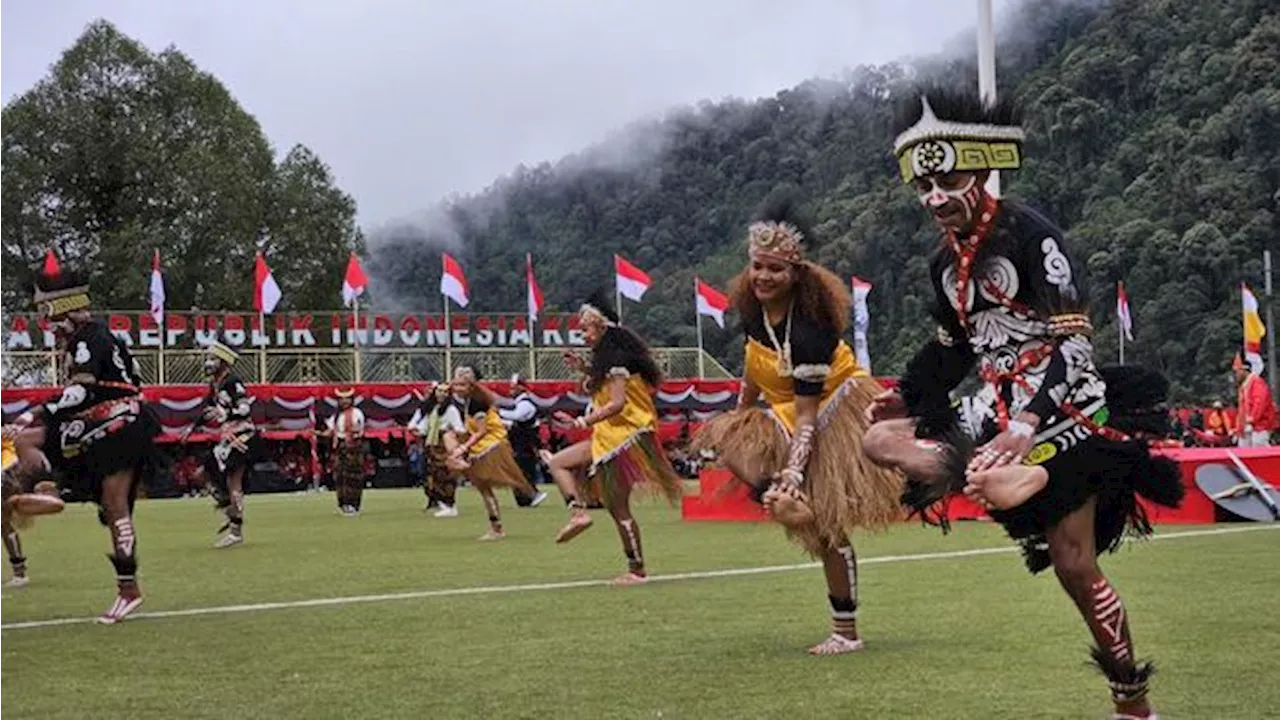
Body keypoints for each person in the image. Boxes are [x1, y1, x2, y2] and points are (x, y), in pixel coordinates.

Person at [863, 85, 1183, 719]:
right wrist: (903, 397)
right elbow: (954, 352)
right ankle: (992, 473)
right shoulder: (942, 265)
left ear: (981, 170)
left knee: (1072, 565)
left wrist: (1029, 422)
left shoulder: (1035, 237)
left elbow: (1076, 345)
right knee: (876, 441)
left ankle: (1133, 704)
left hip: (1065, 405)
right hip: (996, 408)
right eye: (923, 189)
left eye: (946, 182)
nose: (933, 199)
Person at [691, 197, 905, 654]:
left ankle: (845, 633)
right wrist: (737, 419)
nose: (764, 277)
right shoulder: (752, 312)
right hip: (789, 409)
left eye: (775, 269)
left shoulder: (809, 330)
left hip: (834, 408)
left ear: (795, 273)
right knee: (729, 444)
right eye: (757, 266)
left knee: (826, 527)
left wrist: (793, 476)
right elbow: (753, 369)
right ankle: (783, 498)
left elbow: (807, 416)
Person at [3, 263, 160, 624]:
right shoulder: (87, 338)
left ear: (64, 312)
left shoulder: (91, 338)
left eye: (51, 319)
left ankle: (128, 590)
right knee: (27, 443)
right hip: (94, 420)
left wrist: (34, 412)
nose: (50, 328)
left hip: (120, 423)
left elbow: (80, 391)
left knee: (116, 505)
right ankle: (47, 487)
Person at [535, 292, 682, 584]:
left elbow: (617, 404)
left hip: (625, 437)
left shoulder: (616, 359)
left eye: (585, 329)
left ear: (601, 326)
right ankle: (581, 515)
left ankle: (635, 569)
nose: (582, 334)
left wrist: (581, 420)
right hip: (611, 435)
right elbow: (600, 393)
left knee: (614, 504)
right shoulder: (606, 359)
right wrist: (583, 369)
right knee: (563, 466)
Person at [186, 341, 259, 548]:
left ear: (224, 363)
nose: (209, 363)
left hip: (242, 436)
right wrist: (191, 428)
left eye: (213, 359)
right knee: (202, 474)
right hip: (226, 438)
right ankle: (229, 510)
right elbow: (208, 409)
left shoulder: (233, 382)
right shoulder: (215, 385)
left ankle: (236, 531)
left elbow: (244, 409)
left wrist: (224, 413)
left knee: (234, 482)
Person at [450, 367, 537, 540]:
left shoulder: (476, 402)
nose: (456, 388)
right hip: (483, 446)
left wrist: (463, 448)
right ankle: (496, 526)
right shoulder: (470, 401)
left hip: (489, 446)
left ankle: (497, 528)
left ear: (471, 386)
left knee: (484, 487)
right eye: (456, 384)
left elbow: (481, 431)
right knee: (484, 489)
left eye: (461, 385)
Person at [409, 383, 468, 517]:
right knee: (433, 476)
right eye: (439, 391)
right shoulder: (431, 409)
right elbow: (424, 427)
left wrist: (448, 431)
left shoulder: (451, 410)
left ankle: (450, 504)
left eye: (445, 392)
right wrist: (417, 430)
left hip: (444, 445)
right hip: (431, 445)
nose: (441, 394)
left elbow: (459, 428)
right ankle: (441, 503)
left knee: (446, 475)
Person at [499, 374, 549, 508]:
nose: (510, 391)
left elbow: (517, 416)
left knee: (524, 470)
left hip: (525, 446)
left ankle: (531, 494)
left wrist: (498, 412)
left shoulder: (526, 404)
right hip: (519, 445)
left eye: (513, 388)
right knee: (519, 470)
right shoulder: (518, 404)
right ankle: (525, 498)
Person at [324, 388, 368, 517]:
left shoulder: (356, 413)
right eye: (342, 399)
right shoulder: (336, 415)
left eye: (347, 398)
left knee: (353, 476)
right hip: (340, 446)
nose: (344, 401)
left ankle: (353, 503)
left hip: (353, 446)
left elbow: (359, 428)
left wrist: (354, 430)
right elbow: (331, 431)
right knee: (340, 476)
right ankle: (343, 502)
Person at [1233, 353, 1276, 447]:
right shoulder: (1243, 386)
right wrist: (1238, 427)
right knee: (1243, 451)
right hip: (1246, 427)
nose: (1236, 375)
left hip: (1259, 426)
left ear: (1244, 370)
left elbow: (1259, 403)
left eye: (1237, 371)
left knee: (1259, 447)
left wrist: (1251, 419)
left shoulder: (1257, 383)